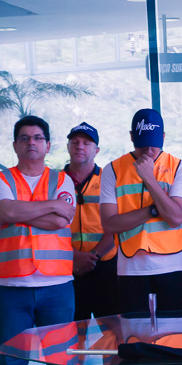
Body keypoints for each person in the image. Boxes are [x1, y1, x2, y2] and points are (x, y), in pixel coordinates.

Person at [0, 115, 86, 365]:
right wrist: (45, 208)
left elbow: (62, 219)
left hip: (56, 285)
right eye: (25, 137)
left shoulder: (62, 179)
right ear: (15, 145)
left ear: (47, 145)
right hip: (12, 285)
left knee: (62, 361)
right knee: (12, 364)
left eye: (38, 137)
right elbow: (3, 209)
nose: (31, 142)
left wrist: (17, 213)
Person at [100, 109, 182, 314]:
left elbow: (176, 217)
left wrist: (148, 178)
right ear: (132, 136)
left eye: (153, 142)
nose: (148, 150)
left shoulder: (180, 168)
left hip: (172, 266)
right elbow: (109, 224)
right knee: (135, 337)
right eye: (142, 142)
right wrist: (154, 209)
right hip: (130, 268)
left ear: (163, 137)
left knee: (176, 337)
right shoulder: (112, 169)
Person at [66, 122, 118, 320]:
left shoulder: (109, 179)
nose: (80, 146)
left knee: (113, 333)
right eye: (75, 142)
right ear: (68, 146)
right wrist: (74, 257)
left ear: (96, 150)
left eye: (87, 143)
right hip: (67, 268)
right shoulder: (54, 181)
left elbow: (118, 224)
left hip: (104, 266)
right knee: (71, 334)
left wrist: (92, 257)